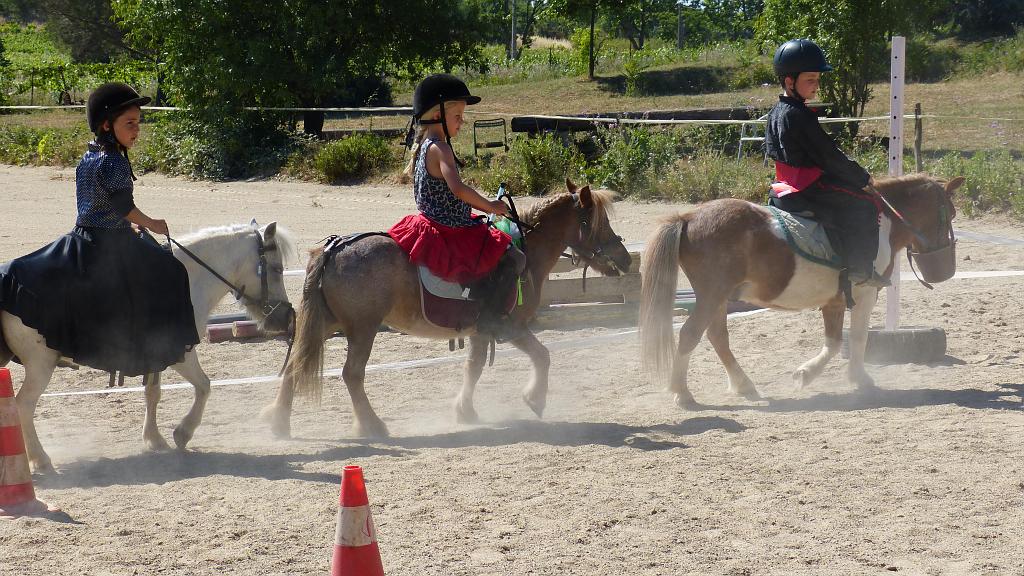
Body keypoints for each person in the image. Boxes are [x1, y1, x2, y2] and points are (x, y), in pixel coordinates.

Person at [0, 82, 199, 376]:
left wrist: (127, 224)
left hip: (83, 236)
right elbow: (123, 207)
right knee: (170, 270)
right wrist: (152, 224)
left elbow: (100, 203)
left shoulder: (91, 154)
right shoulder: (114, 160)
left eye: (138, 123)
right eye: (129, 123)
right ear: (107, 125)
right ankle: (156, 344)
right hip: (109, 244)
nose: (137, 130)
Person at [389, 73, 526, 339]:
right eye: (458, 116)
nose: (461, 123)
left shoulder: (423, 146)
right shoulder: (441, 149)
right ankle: (489, 319)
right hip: (450, 229)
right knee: (514, 257)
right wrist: (491, 206)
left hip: (432, 222)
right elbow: (458, 189)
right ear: (438, 114)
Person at [765, 38, 890, 289]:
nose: (816, 85)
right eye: (810, 79)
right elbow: (828, 157)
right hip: (806, 186)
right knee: (866, 205)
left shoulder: (776, 111)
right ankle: (860, 269)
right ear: (790, 81)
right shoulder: (799, 115)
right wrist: (861, 177)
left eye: (817, 79)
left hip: (782, 184)